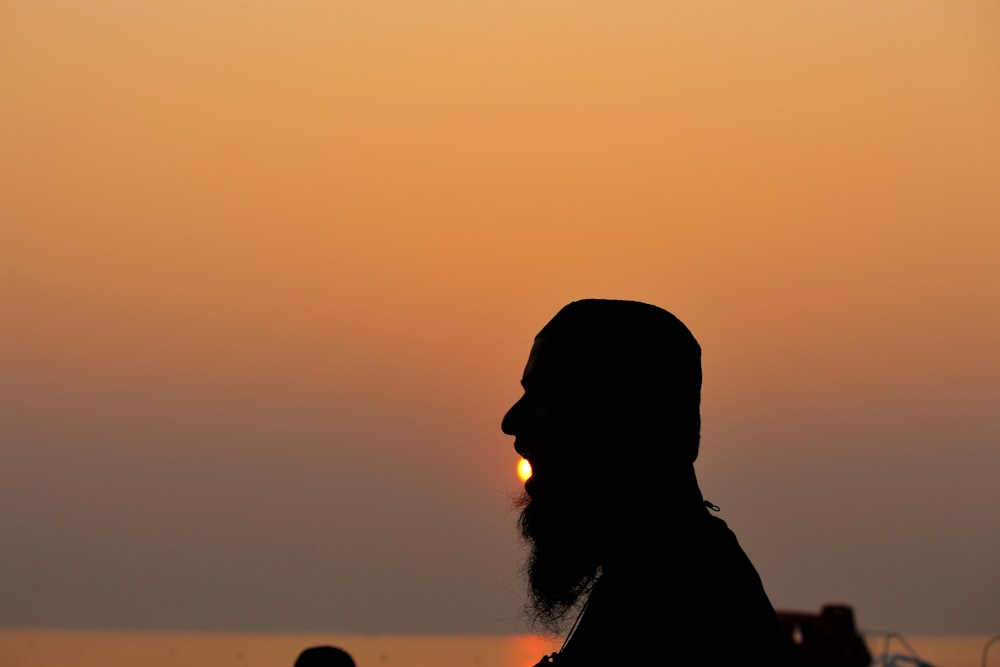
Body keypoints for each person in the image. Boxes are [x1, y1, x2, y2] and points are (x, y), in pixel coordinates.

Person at [501, 299, 789, 666]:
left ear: (623, 415)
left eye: (545, 395)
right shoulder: (654, 572)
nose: (511, 421)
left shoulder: (684, 594)